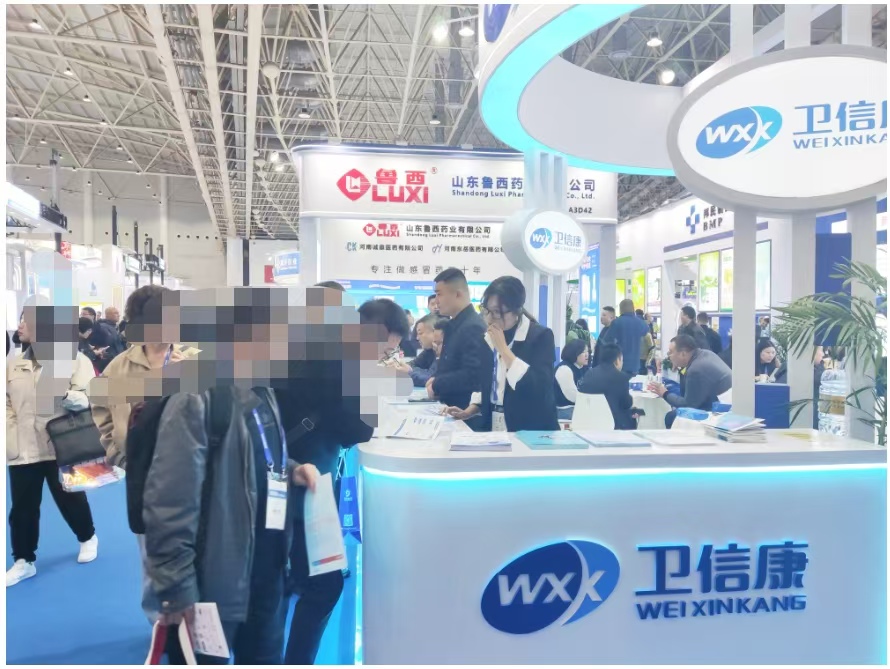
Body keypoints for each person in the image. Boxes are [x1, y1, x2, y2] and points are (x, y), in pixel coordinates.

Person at [145, 383, 320, 665]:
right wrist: (176, 586)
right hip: (213, 588)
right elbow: (169, 503)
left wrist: (291, 470)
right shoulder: (193, 398)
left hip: (268, 579)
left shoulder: (263, 389)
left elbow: (253, 456)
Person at [279, 293, 402, 665]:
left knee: (287, 581)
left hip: (288, 472)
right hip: (306, 480)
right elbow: (356, 429)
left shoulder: (317, 351)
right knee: (324, 585)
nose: (384, 357)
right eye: (385, 349)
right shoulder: (342, 363)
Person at [90, 285, 198, 623]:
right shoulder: (119, 367)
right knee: (150, 554)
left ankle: (196, 622)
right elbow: (102, 414)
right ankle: (159, 625)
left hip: (192, 473)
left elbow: (213, 413)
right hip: (143, 473)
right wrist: (118, 454)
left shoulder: (194, 360)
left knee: (195, 550)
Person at [7, 298, 99, 587]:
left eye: (26, 319)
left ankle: (87, 536)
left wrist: (69, 396)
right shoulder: (13, 364)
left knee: (70, 496)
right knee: (22, 507)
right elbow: (6, 402)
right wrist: (9, 431)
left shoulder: (74, 360)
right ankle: (23, 560)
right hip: (23, 445)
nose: (20, 324)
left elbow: (91, 396)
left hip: (62, 444)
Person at [445, 276, 558, 432]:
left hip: (530, 429)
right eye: (487, 310)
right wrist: (471, 409)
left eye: (497, 312)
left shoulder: (540, 336)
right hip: (494, 426)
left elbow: (539, 388)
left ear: (516, 310)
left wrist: (504, 350)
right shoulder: (487, 338)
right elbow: (487, 382)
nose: (490, 318)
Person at [426, 268, 491, 418]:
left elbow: (473, 375)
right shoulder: (453, 324)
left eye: (439, 294)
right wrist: (435, 379)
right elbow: (450, 365)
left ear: (458, 294)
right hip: (449, 409)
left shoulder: (473, 326)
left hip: (465, 414)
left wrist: (437, 383)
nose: (436, 300)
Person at [648, 335, 733, 428]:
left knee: (670, 417)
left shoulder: (696, 369)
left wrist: (664, 393)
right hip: (723, 401)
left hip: (720, 409)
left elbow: (688, 405)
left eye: (671, 352)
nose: (668, 356)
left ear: (683, 354)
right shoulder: (705, 354)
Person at [578, 343, 640, 430]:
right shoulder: (621, 377)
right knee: (633, 414)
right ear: (617, 360)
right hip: (611, 422)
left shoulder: (589, 373)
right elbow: (626, 404)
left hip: (587, 420)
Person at [391, 313, 442, 387]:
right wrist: (399, 366)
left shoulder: (445, 351)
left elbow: (430, 379)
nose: (417, 338)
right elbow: (414, 364)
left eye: (420, 333)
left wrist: (408, 372)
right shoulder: (429, 350)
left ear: (434, 332)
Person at [602, 300, 650, 375]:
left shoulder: (617, 322)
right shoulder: (640, 322)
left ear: (621, 309)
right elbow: (646, 330)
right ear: (633, 308)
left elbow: (606, 341)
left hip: (620, 364)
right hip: (635, 365)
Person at [554, 339, 588, 418]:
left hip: (577, 407)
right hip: (564, 409)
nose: (587, 355)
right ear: (574, 353)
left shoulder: (582, 368)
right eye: (584, 352)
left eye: (587, 351)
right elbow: (572, 396)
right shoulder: (564, 369)